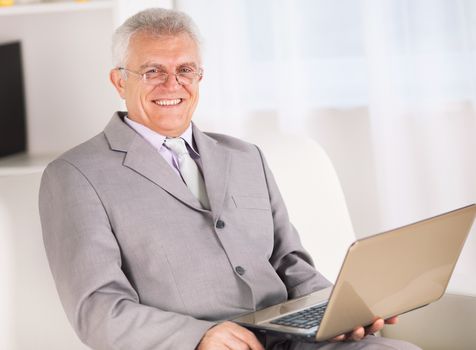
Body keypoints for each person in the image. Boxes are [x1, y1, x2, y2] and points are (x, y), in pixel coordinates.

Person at [39, 8, 420, 350]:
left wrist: (339, 311)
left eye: (185, 70)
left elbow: (290, 263)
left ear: (199, 76)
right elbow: (98, 310)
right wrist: (197, 337)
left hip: (296, 341)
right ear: (120, 81)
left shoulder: (245, 156)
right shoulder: (75, 175)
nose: (172, 85)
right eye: (153, 71)